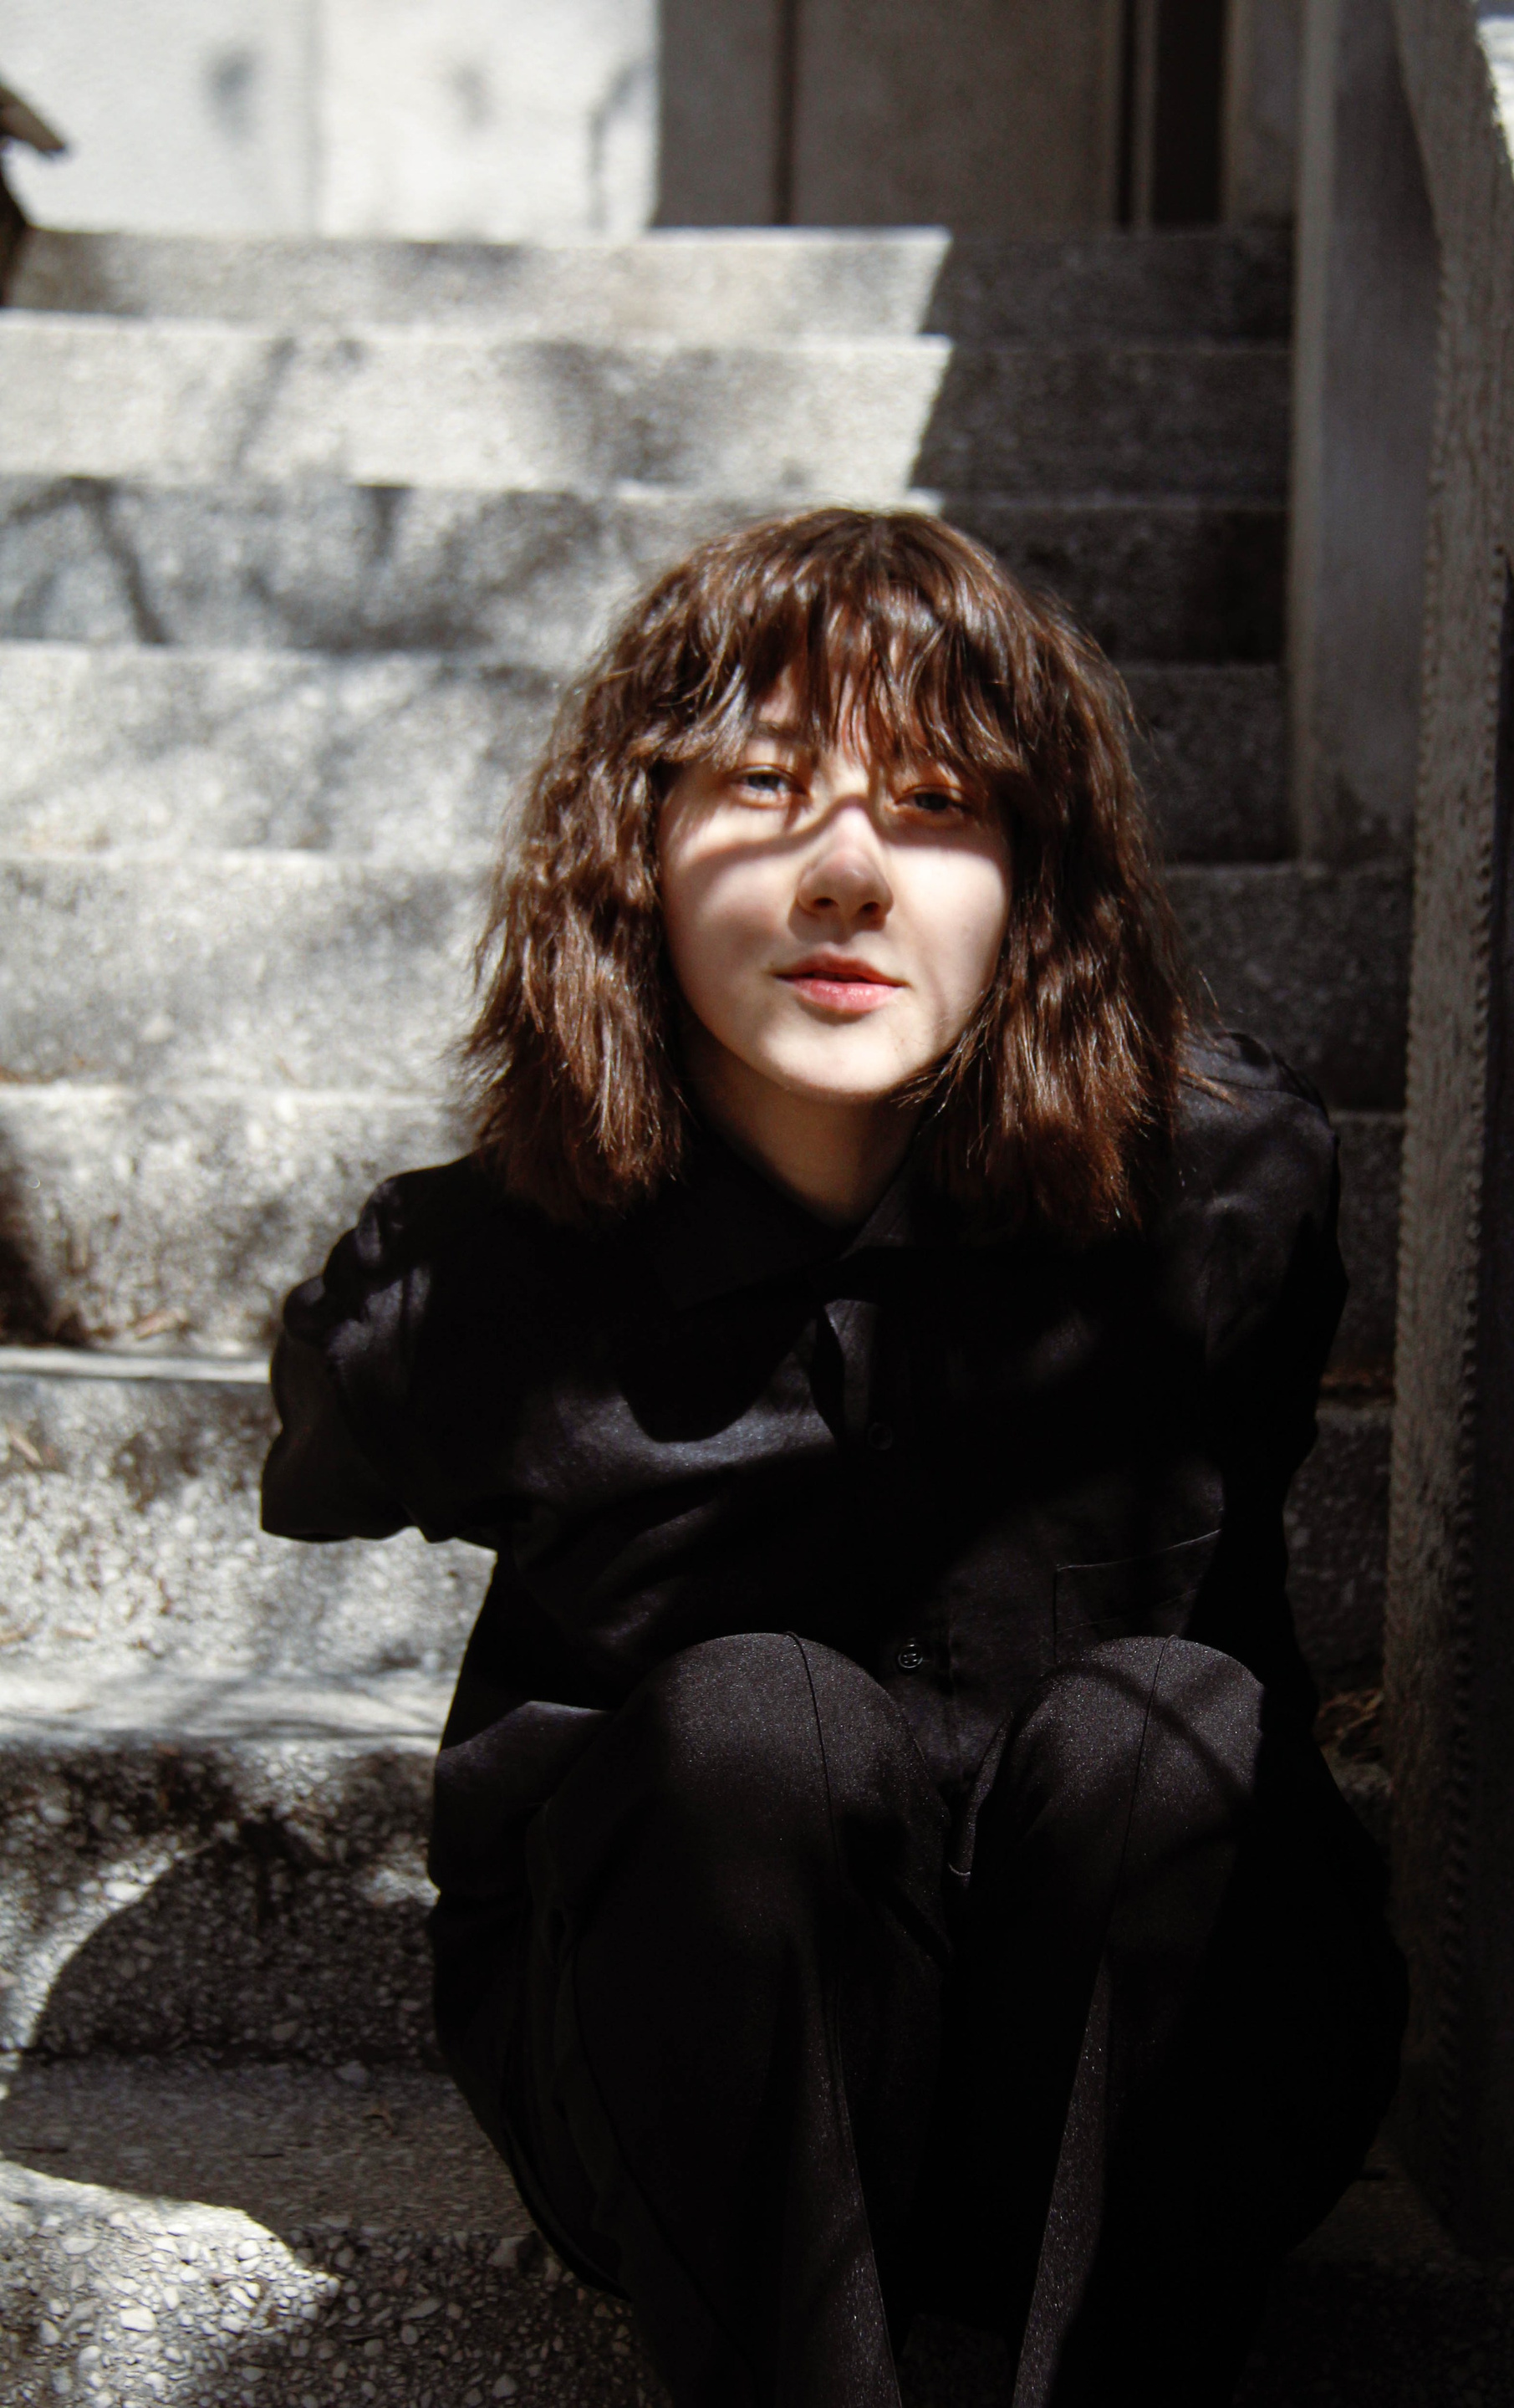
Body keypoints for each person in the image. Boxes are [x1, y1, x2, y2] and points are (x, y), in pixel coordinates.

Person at [262, 508, 1405, 2407]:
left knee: (1166, 1726)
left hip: (1136, 2072)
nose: (850, 874)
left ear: (1036, 876)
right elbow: (327, 1453)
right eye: (765, 789)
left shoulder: (1219, 1200)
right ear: (635, 850)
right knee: (756, 1728)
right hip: (686, 2103)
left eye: (938, 803)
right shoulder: (474, 1289)